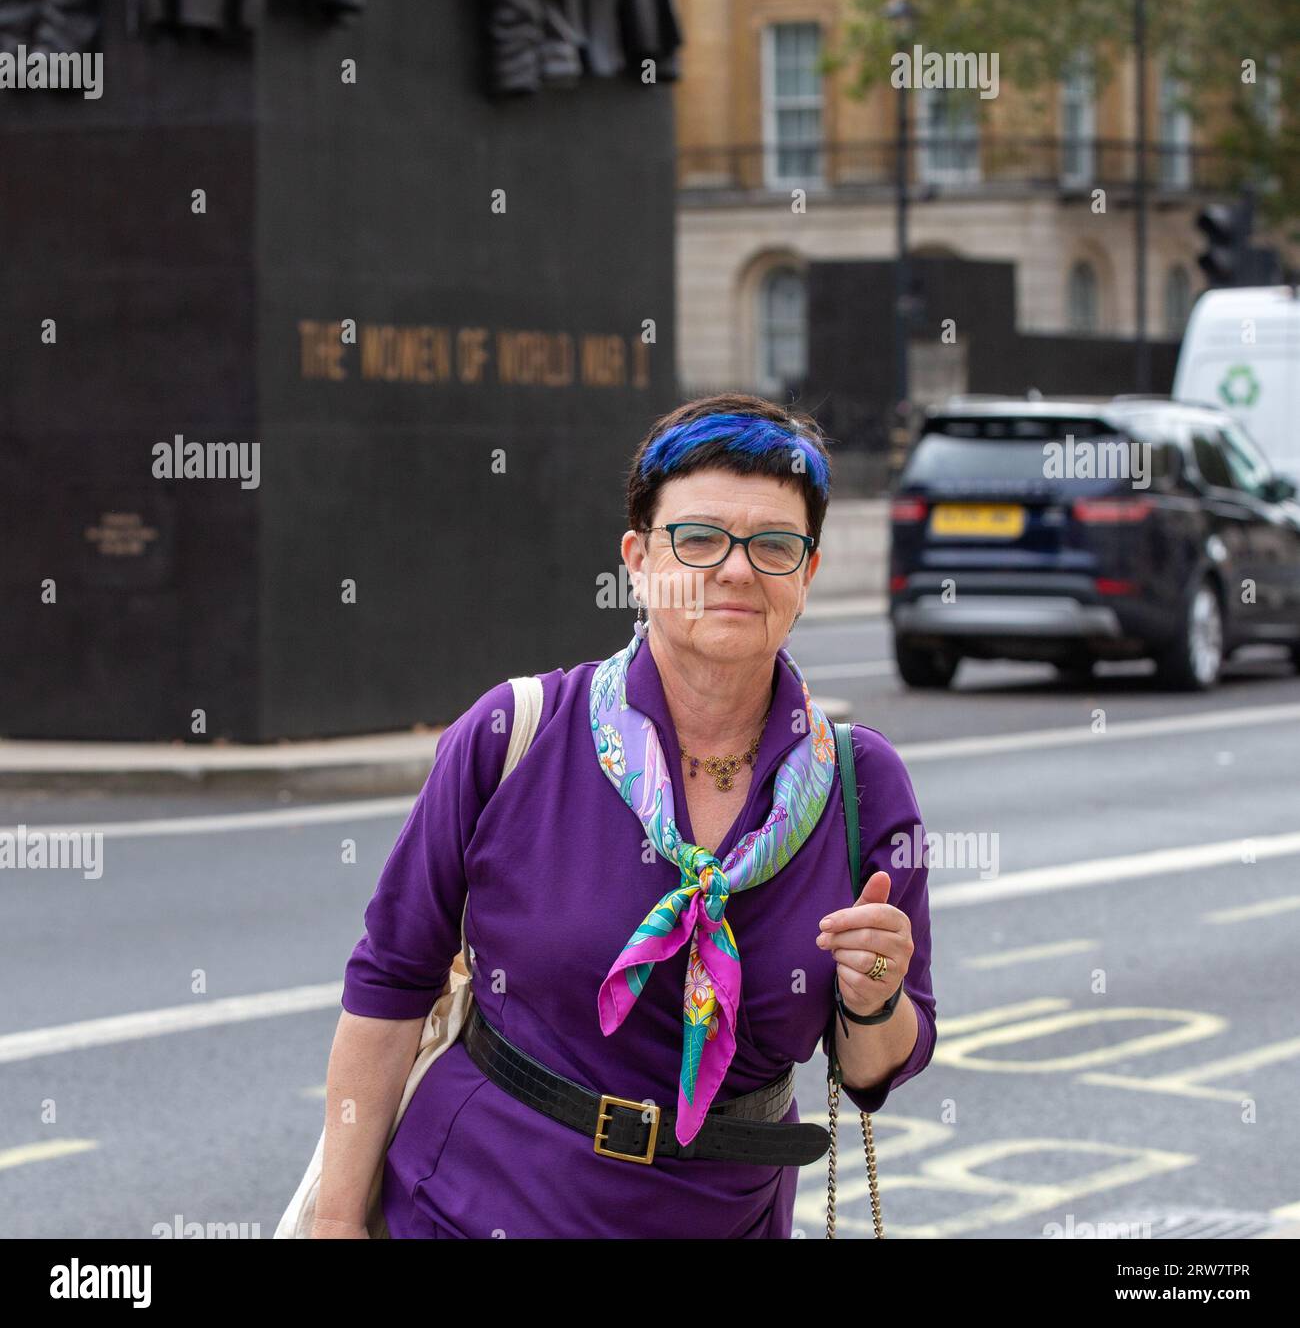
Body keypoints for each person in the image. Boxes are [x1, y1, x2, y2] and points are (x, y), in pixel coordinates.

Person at [311, 393, 937, 1238]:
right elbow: (390, 983)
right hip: (475, 1205)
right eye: (700, 538)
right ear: (638, 559)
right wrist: (337, 1227)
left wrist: (874, 998)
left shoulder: (861, 784)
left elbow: (875, 1066)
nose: (738, 569)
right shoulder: (513, 735)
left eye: (775, 545)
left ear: (808, 572)